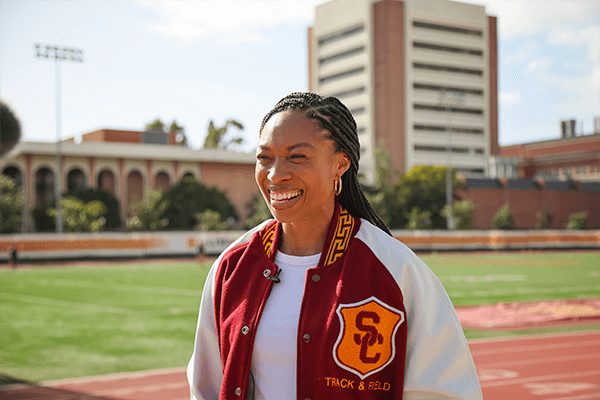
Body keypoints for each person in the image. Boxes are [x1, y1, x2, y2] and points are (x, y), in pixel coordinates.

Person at [187, 92, 482, 400]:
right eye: (264, 158)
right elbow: (206, 388)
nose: (275, 174)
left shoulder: (395, 270)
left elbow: (445, 392)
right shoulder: (232, 266)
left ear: (340, 164)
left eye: (297, 157)